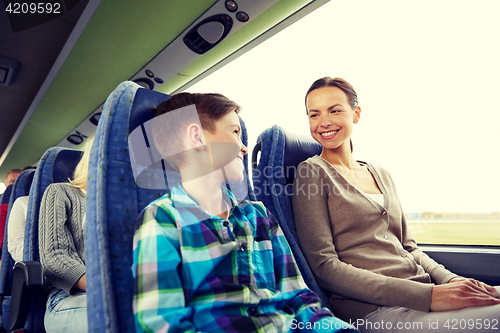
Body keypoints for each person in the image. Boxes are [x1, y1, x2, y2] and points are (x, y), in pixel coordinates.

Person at [132, 93, 357, 333]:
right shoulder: (162, 219)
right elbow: (161, 325)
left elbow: (300, 298)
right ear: (196, 137)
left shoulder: (259, 215)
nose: (244, 147)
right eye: (234, 132)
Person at [292, 77, 500, 333]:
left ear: (356, 114)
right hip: (375, 310)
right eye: (314, 114)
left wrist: (451, 280)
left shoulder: (382, 174)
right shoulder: (310, 172)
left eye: (334, 110)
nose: (324, 122)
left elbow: (410, 249)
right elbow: (325, 267)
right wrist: (430, 296)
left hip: (422, 293)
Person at [38, 137, 94, 333]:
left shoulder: (132, 204)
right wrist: (103, 284)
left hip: (124, 291)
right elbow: (55, 256)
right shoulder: (60, 193)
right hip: (68, 296)